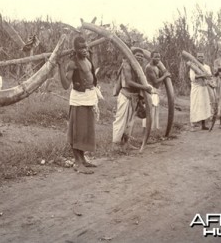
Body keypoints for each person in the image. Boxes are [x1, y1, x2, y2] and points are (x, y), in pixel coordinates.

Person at [58, 36, 102, 174]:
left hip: (89, 98)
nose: (84, 50)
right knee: (77, 131)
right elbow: (65, 85)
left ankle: (82, 159)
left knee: (86, 130)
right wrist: (59, 66)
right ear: (75, 50)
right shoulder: (72, 64)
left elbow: (91, 78)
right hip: (78, 100)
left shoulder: (87, 60)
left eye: (85, 47)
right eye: (81, 48)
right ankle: (77, 162)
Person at [112, 48, 152, 151]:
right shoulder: (126, 65)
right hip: (125, 96)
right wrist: (144, 88)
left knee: (130, 122)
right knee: (121, 120)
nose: (140, 58)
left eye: (142, 57)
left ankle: (126, 143)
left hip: (134, 97)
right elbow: (129, 82)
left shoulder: (139, 69)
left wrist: (141, 98)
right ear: (132, 56)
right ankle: (116, 144)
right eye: (138, 55)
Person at [142, 50, 171, 130]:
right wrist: (165, 76)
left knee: (155, 109)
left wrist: (164, 74)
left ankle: (153, 128)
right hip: (150, 90)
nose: (158, 59)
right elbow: (155, 82)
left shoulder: (156, 67)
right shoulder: (149, 67)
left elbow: (159, 77)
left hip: (156, 91)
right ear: (151, 57)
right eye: (156, 57)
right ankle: (146, 129)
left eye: (159, 57)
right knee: (150, 110)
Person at [189, 52, 212, 131]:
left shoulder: (207, 67)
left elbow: (209, 76)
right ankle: (192, 125)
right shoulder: (193, 66)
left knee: (204, 106)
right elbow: (192, 77)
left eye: (202, 57)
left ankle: (203, 125)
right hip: (196, 88)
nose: (200, 58)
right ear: (196, 58)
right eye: (199, 57)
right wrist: (202, 75)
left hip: (204, 88)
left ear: (204, 58)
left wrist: (205, 75)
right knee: (195, 105)